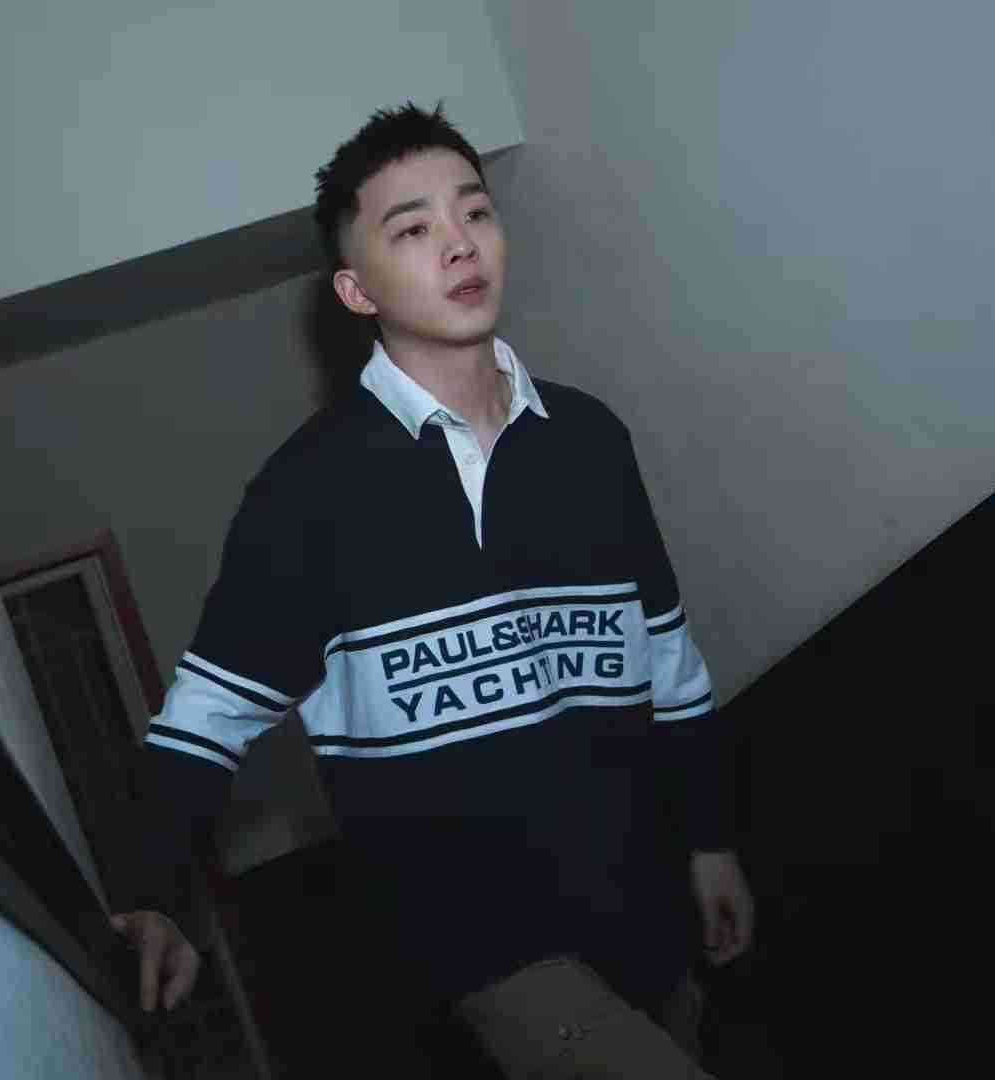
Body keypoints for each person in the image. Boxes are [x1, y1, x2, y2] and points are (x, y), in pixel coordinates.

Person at [109, 100, 754, 1074]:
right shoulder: (307, 492)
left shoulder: (590, 440)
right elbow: (206, 716)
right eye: (412, 229)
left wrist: (709, 841)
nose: (459, 243)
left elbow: (669, 663)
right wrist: (152, 890)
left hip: (645, 899)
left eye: (476, 212)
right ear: (356, 289)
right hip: (481, 944)